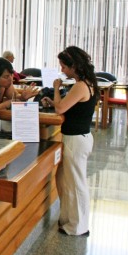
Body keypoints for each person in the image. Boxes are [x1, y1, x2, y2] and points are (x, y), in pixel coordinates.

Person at [41, 46, 98, 237]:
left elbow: (60, 109)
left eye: (64, 66)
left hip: (76, 140)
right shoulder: (87, 83)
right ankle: (68, 220)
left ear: (74, 66)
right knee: (65, 179)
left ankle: (78, 226)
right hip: (78, 138)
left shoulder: (81, 85)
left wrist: (56, 89)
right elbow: (67, 107)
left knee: (75, 183)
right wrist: (54, 100)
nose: (62, 70)